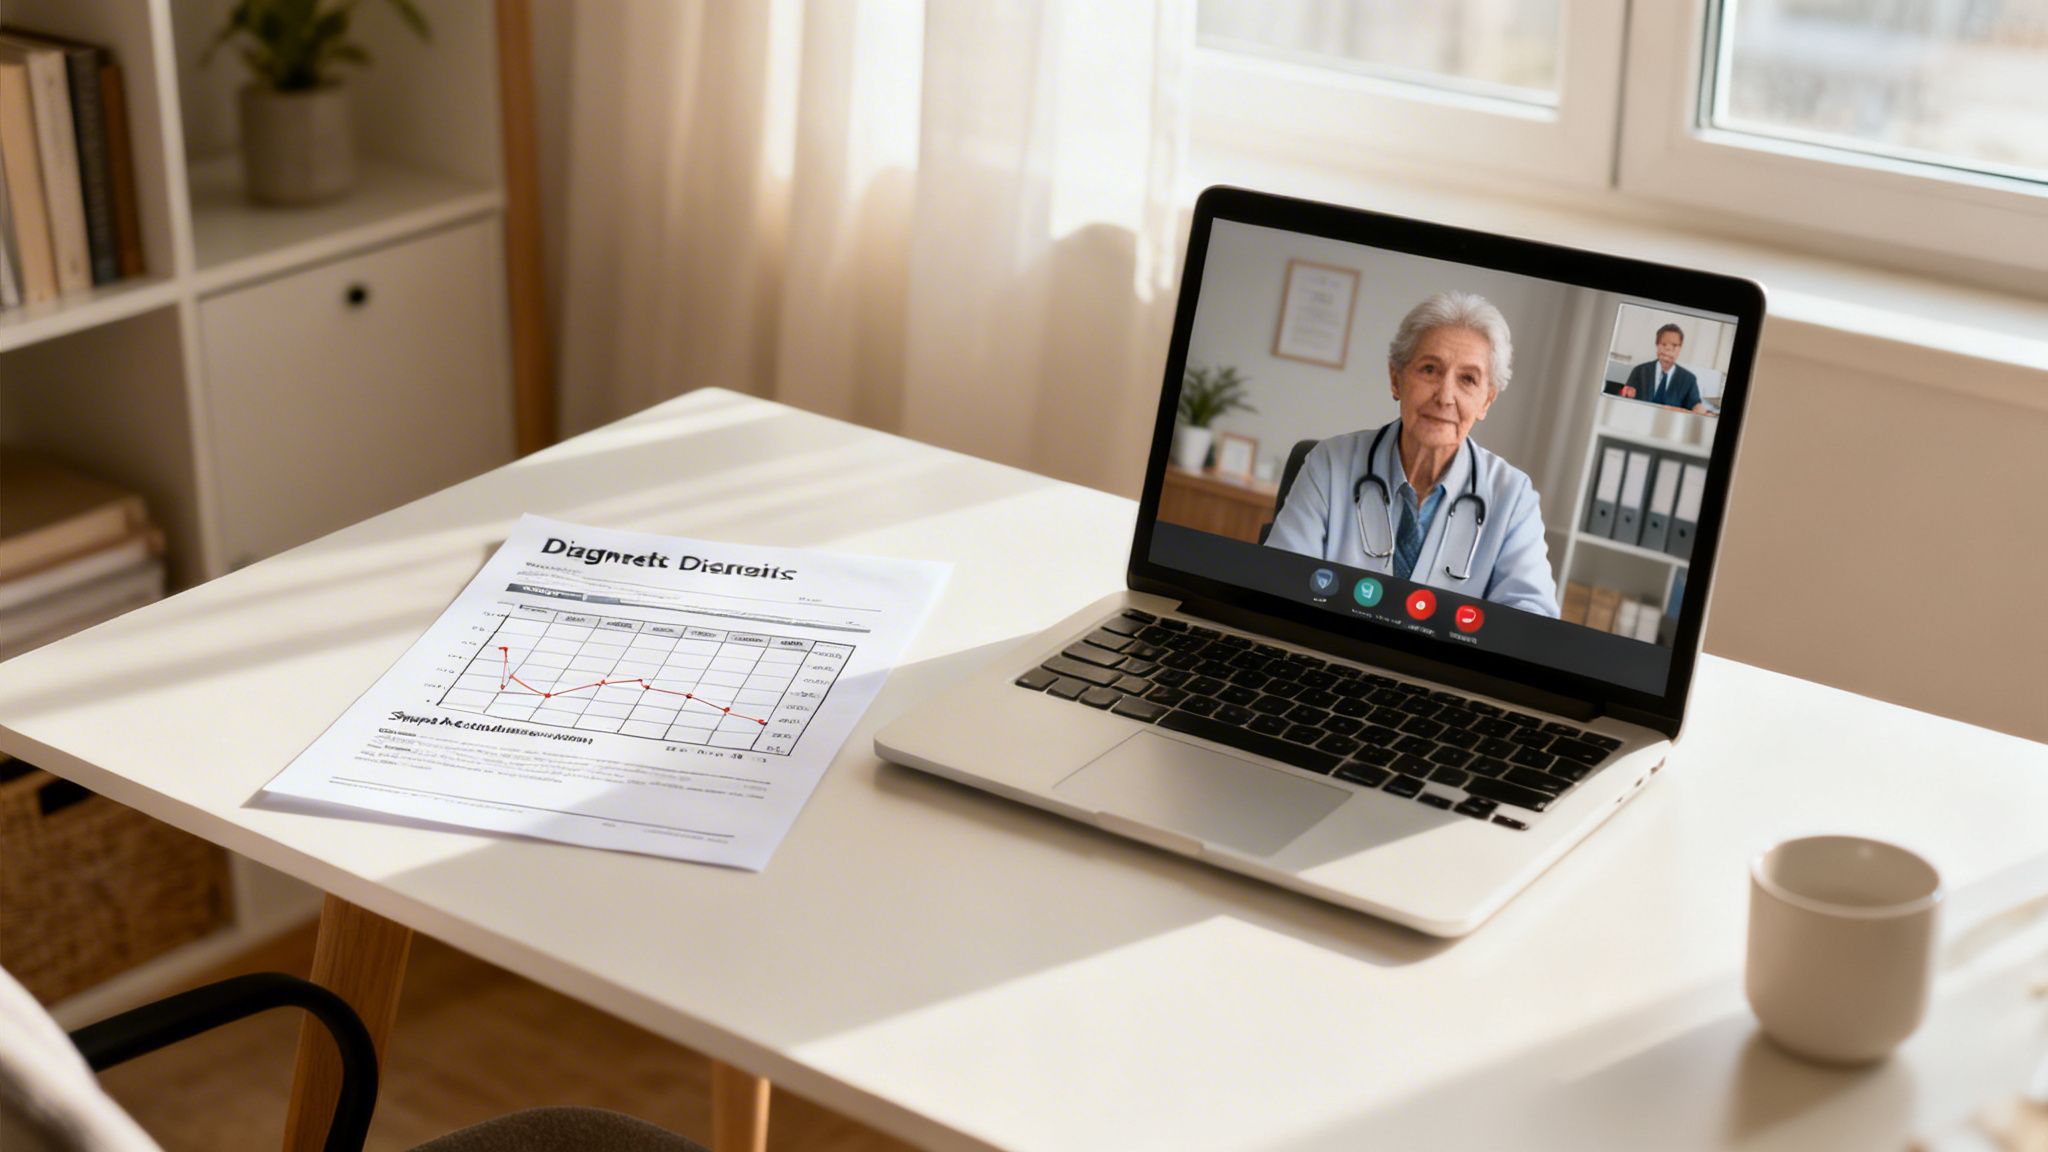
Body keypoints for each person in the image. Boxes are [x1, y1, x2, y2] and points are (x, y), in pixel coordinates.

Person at [1265, 291, 1559, 618]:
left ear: (1486, 401)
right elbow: (1279, 582)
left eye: (1467, 379)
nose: (1445, 396)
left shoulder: (1513, 496)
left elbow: (1533, 619)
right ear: (1396, 379)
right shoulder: (1329, 463)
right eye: (1430, 369)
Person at [1615, 323, 1705, 411]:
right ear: (1657, 345)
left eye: (1674, 345)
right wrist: (1625, 394)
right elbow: (1624, 399)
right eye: (1664, 344)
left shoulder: (1689, 379)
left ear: (1680, 348)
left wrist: (1699, 409)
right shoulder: (1639, 371)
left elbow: (1696, 405)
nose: (1668, 349)